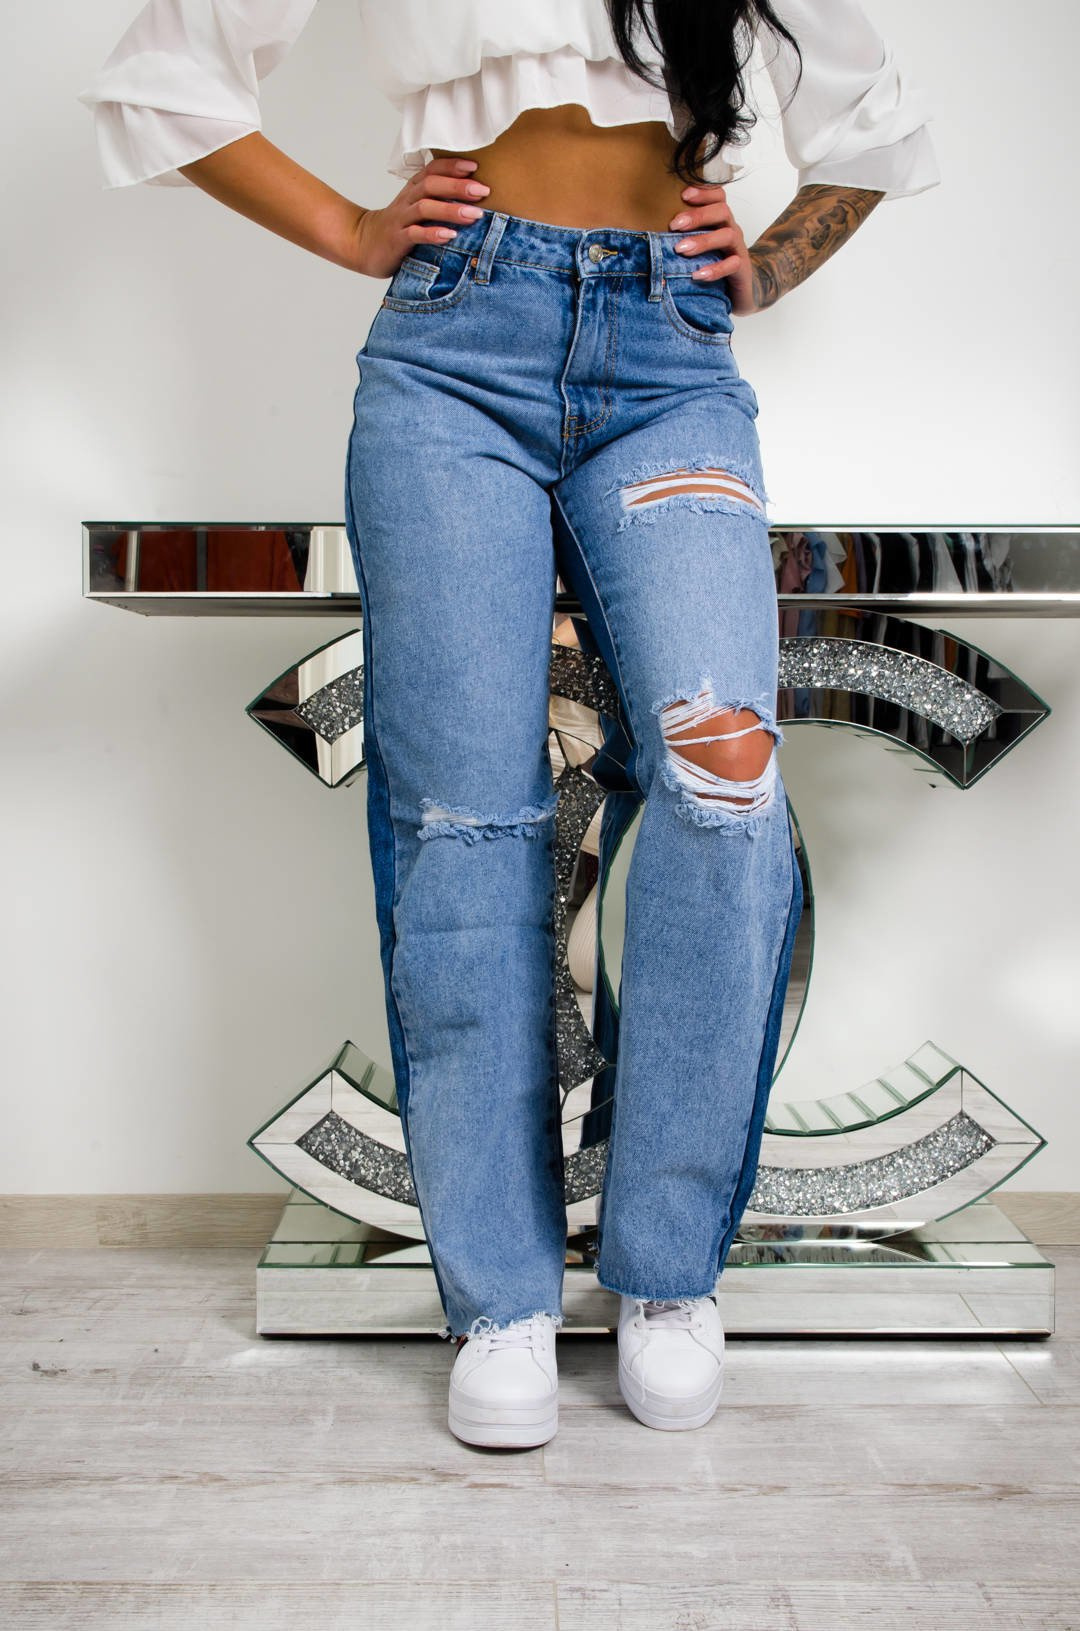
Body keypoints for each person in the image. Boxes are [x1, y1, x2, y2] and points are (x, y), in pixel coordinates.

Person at [78, 0, 940, 1449]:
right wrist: (355, 230)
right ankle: (501, 1297)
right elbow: (167, 79)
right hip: (451, 355)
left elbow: (872, 118)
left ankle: (667, 1272)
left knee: (724, 789)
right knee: (465, 816)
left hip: (669, 359)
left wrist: (773, 262)